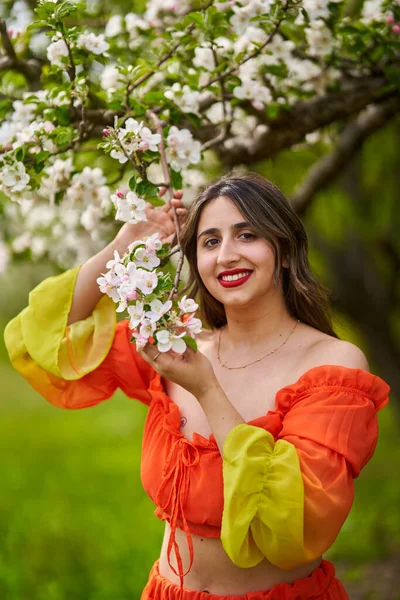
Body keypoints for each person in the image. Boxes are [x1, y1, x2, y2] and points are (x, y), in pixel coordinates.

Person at [4, 172, 390, 600]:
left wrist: (207, 390)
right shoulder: (177, 344)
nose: (226, 255)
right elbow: (45, 339)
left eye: (246, 235)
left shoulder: (332, 365)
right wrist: (125, 244)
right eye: (210, 241)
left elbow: (292, 524)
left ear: (283, 250)